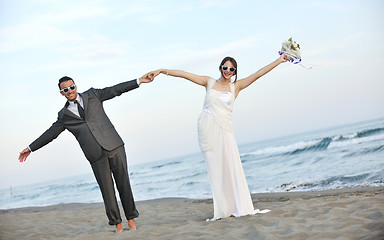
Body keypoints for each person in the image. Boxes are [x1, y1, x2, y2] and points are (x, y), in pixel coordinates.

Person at [149, 53, 288, 220]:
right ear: (220, 68)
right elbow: (185, 74)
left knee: (231, 166)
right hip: (208, 131)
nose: (227, 71)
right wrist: (162, 70)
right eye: (225, 67)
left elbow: (258, 73)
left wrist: (280, 60)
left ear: (235, 71)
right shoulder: (209, 82)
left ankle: (236, 206)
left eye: (231, 69)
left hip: (226, 131)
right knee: (216, 170)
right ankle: (224, 209)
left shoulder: (236, 87)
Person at [18, 74, 153, 233]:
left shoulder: (93, 95)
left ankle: (131, 220)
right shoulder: (63, 116)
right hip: (95, 155)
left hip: (114, 145)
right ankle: (117, 224)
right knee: (107, 190)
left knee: (124, 183)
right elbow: (51, 134)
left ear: (76, 86)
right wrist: (31, 147)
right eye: (66, 89)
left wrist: (139, 81)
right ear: (61, 93)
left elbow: (116, 90)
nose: (70, 91)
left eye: (72, 87)